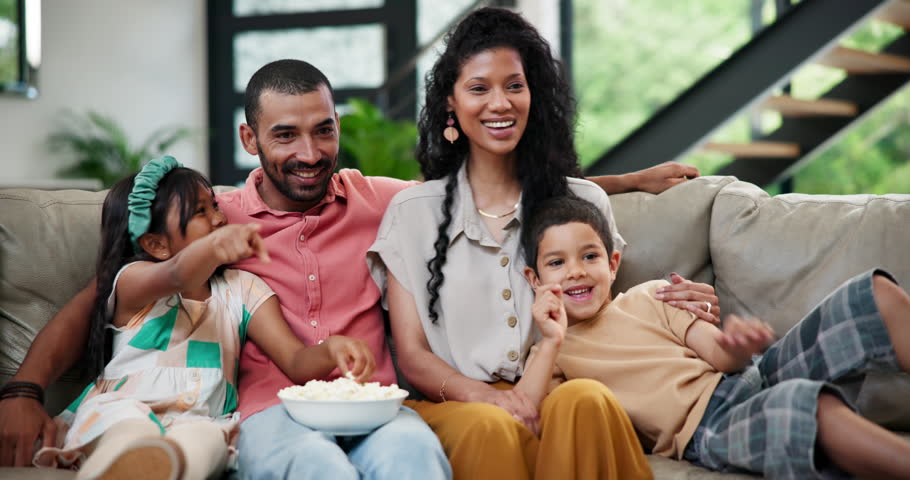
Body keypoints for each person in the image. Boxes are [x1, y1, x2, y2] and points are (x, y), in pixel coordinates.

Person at [0, 58, 701, 473]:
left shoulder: (382, 201)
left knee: (412, 460)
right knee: (316, 468)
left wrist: (628, 183)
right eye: (285, 135)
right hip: (272, 413)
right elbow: (105, 295)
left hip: (381, 405)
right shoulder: (215, 221)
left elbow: (500, 186)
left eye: (323, 129)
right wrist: (24, 392)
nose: (309, 151)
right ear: (249, 138)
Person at [366, 7, 720, 480]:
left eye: (515, 85)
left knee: (588, 398)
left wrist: (681, 302)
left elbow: (602, 318)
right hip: (459, 407)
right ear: (450, 103)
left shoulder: (582, 201)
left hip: (555, 392)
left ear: (533, 93)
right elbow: (411, 355)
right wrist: (489, 396)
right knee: (491, 425)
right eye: (478, 88)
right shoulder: (412, 215)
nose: (500, 103)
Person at [28, 157, 377, 479]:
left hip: (201, 417)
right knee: (130, 429)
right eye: (201, 212)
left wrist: (331, 349)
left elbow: (297, 361)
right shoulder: (135, 281)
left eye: (214, 205)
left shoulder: (243, 289)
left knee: (207, 441)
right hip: (123, 407)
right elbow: (179, 274)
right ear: (157, 245)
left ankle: (167, 467)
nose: (220, 218)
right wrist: (215, 246)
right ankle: (123, 464)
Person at [519, 194, 910, 479]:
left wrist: (736, 346)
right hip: (709, 427)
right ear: (534, 280)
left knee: (870, 295)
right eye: (557, 263)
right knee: (802, 407)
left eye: (590, 256)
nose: (576, 271)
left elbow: (719, 357)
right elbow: (533, 420)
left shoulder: (650, 295)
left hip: (754, 374)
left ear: (613, 263)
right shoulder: (551, 353)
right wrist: (551, 341)